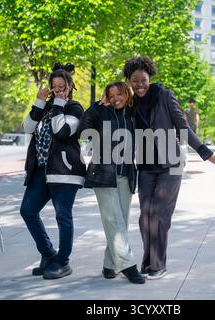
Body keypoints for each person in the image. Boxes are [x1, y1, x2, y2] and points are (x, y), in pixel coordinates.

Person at [123, 56, 215, 280]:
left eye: (142, 80)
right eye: (134, 81)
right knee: (145, 216)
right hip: (145, 166)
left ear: (149, 77)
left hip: (170, 164)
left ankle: (158, 265)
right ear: (129, 82)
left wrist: (206, 153)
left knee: (160, 214)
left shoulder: (164, 95)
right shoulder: (130, 103)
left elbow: (183, 127)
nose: (139, 84)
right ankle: (148, 262)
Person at [20, 62, 86, 280]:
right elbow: (28, 128)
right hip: (41, 170)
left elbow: (62, 130)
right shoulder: (46, 106)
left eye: (61, 86)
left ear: (70, 86)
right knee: (28, 210)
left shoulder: (75, 107)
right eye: (54, 86)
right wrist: (40, 101)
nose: (57, 89)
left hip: (64, 171)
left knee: (63, 216)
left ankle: (63, 262)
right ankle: (48, 253)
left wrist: (59, 103)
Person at [78, 82, 144, 284]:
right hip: (104, 175)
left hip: (126, 174)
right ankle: (128, 265)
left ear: (127, 94)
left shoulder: (133, 113)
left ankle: (109, 265)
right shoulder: (101, 113)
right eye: (111, 95)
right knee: (113, 220)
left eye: (119, 94)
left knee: (120, 222)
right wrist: (98, 105)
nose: (116, 98)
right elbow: (83, 129)